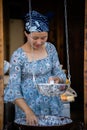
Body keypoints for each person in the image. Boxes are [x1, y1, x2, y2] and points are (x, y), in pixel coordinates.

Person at [4, 10, 66, 126]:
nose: (39, 42)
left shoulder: (50, 49)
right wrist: (28, 111)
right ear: (26, 33)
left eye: (43, 38)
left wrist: (58, 79)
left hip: (51, 104)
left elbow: (60, 74)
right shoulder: (18, 56)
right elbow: (13, 89)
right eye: (35, 37)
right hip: (28, 107)